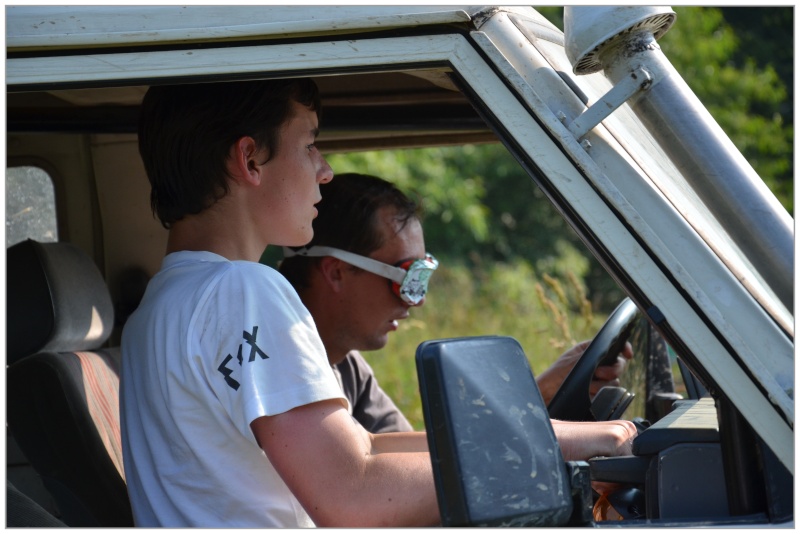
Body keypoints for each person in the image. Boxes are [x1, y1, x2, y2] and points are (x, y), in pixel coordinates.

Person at [120, 79, 635, 528]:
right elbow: (353, 495)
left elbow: (363, 448)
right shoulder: (242, 290)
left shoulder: (159, 307)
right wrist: (544, 452)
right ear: (250, 159)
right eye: (310, 145)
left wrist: (558, 435)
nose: (324, 171)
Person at [279, 172, 633, 435]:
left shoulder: (346, 367)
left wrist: (539, 393)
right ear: (337, 272)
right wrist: (533, 397)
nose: (418, 302)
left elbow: (416, 455)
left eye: (423, 276)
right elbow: (386, 478)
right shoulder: (281, 369)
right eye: (407, 278)